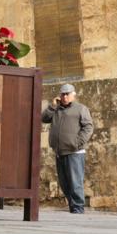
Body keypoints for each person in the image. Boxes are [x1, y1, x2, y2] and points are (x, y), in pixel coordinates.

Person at [41, 84, 94, 214]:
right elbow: (43, 118)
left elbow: (88, 127)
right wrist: (52, 106)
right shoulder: (56, 110)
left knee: (75, 181)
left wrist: (77, 143)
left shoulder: (81, 108)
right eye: (63, 94)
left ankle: (78, 208)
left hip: (75, 152)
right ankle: (73, 206)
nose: (65, 96)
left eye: (67, 94)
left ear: (73, 95)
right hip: (60, 151)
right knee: (64, 183)